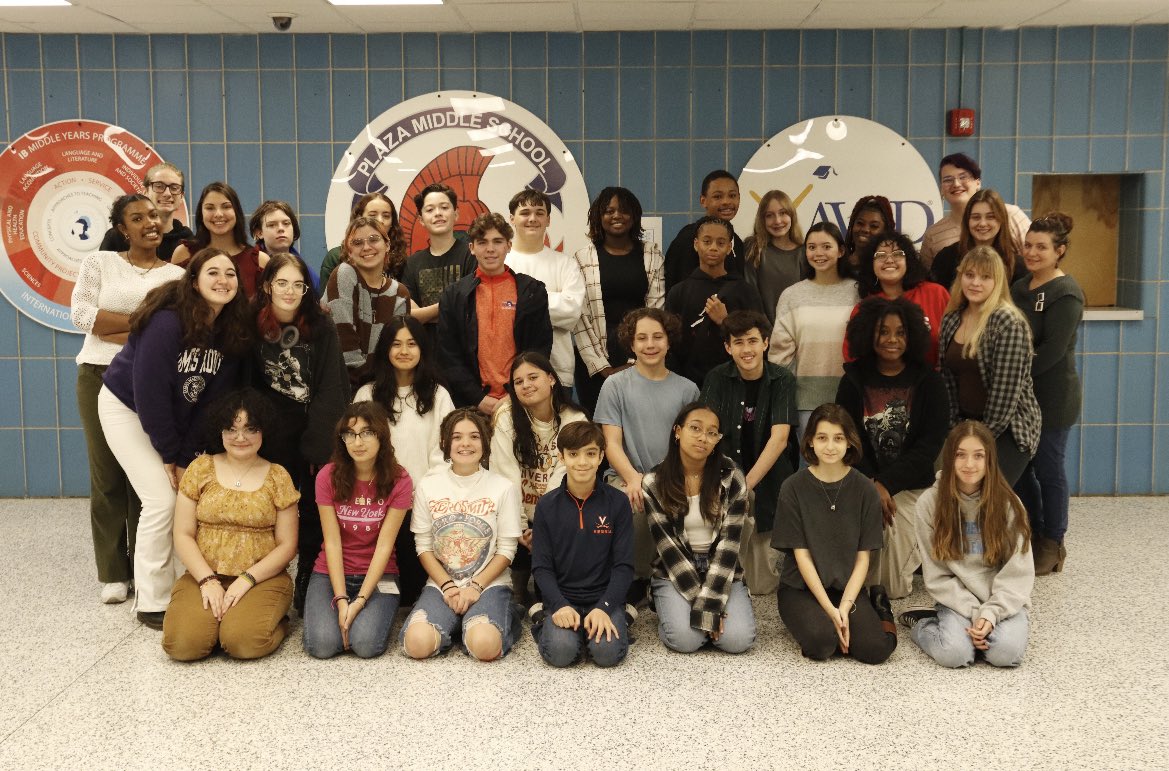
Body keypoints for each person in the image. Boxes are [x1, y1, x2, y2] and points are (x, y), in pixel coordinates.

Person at [98, 247, 251, 629]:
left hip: (178, 419)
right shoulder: (168, 322)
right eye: (212, 272)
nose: (222, 280)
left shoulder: (229, 330)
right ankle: (151, 601)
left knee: (185, 494)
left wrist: (185, 457)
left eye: (230, 273)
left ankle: (188, 584)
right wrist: (169, 453)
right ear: (194, 280)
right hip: (127, 409)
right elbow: (150, 394)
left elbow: (211, 404)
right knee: (161, 500)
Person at [72, 194, 185, 604]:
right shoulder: (99, 263)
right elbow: (84, 317)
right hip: (98, 375)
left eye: (153, 215)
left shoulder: (175, 275)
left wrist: (117, 327)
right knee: (106, 478)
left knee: (147, 482)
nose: (149, 223)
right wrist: (143, 328)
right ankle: (112, 573)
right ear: (122, 228)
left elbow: (172, 331)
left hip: (150, 383)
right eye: (138, 218)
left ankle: (144, 567)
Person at [162, 389, 299, 660]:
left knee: (244, 643)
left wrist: (246, 580)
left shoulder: (278, 476)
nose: (240, 438)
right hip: (205, 573)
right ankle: (215, 624)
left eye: (250, 429)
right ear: (219, 431)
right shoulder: (200, 468)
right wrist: (207, 580)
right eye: (231, 429)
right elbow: (183, 533)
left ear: (264, 431)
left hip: (261, 578)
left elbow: (287, 545)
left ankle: (271, 622)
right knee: (182, 645)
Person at [248, 252, 350, 612]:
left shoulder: (321, 327)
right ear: (267, 286)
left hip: (311, 431)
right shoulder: (249, 324)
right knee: (267, 508)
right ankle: (264, 572)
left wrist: (317, 447)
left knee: (309, 506)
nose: (289, 292)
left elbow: (332, 389)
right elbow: (246, 384)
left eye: (298, 285)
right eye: (281, 283)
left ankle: (308, 566)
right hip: (267, 431)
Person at [837, 297, 949, 599]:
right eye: (883, 331)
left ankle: (879, 594)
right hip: (861, 484)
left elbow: (929, 446)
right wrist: (872, 484)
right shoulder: (852, 380)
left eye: (900, 332)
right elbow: (845, 441)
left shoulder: (930, 382)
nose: (892, 340)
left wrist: (886, 484)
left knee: (891, 586)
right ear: (868, 334)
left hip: (912, 489)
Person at [901, 420, 1033, 668]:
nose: (969, 464)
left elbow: (1019, 573)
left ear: (989, 460)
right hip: (957, 601)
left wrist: (991, 614)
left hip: (1003, 600)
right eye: (961, 455)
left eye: (978, 456)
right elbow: (937, 575)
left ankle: (980, 633)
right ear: (949, 458)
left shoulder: (1009, 504)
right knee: (955, 655)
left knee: (1004, 653)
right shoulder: (929, 503)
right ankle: (923, 624)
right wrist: (975, 614)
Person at [772, 404, 897, 664]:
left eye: (838, 438)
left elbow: (864, 559)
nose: (830, 446)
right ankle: (812, 619)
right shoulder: (793, 487)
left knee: (875, 651)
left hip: (846, 588)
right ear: (810, 442)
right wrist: (830, 611)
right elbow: (801, 556)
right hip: (801, 589)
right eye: (822, 438)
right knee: (822, 644)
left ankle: (881, 608)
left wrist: (843, 608)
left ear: (850, 443)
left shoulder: (865, 489)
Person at [593, 307, 700, 604]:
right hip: (627, 475)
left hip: (673, 475)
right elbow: (611, 443)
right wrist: (634, 478)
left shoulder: (687, 389)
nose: (649, 344)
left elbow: (690, 445)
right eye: (642, 338)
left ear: (669, 341)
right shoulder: (615, 385)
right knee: (636, 501)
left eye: (657, 337)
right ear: (631, 343)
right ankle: (636, 577)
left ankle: (669, 576)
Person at [401, 409, 523, 661]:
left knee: (485, 647)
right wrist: (447, 586)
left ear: (485, 442)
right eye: (457, 437)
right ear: (445, 442)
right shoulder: (428, 484)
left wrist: (475, 587)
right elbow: (422, 545)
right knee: (417, 645)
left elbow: (507, 550)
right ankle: (460, 621)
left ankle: (499, 615)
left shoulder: (503, 487)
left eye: (474, 436)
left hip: (490, 584)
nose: (465, 443)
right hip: (441, 584)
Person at [354, 314, 454, 604]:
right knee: (387, 587)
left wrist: (421, 494)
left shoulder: (438, 395)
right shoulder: (367, 393)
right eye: (396, 344)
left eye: (412, 344)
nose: (404, 351)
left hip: (424, 501)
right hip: (376, 500)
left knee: (414, 589)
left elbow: (446, 451)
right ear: (385, 349)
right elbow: (356, 448)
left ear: (422, 349)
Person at [642, 402, 756, 653]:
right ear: (678, 431)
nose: (703, 437)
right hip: (675, 569)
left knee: (737, 641)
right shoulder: (654, 481)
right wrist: (706, 606)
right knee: (686, 641)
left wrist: (710, 603)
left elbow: (729, 545)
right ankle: (663, 603)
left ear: (717, 440)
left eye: (712, 432)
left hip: (722, 567)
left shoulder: (732, 477)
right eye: (695, 428)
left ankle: (724, 604)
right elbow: (669, 550)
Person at [303, 402, 413, 659]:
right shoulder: (327, 476)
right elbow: (332, 542)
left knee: (365, 645)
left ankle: (356, 619)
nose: (357, 442)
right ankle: (341, 619)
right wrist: (342, 600)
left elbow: (385, 546)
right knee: (321, 646)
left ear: (381, 436)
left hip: (380, 574)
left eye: (367, 432)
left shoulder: (400, 479)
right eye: (349, 434)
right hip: (330, 572)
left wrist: (360, 601)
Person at [700, 310, 798, 595]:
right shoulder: (717, 378)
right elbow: (707, 430)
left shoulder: (782, 380)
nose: (747, 349)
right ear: (728, 347)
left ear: (765, 343)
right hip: (724, 472)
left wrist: (745, 487)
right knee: (730, 576)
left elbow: (780, 439)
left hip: (769, 477)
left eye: (753, 341)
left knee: (762, 585)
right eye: (739, 342)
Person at [1011, 213, 1084, 575]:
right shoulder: (1020, 287)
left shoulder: (1065, 293)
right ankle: (1034, 532)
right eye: (1028, 245)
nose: (1032, 252)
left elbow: (1052, 352)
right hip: (1020, 398)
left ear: (1060, 251)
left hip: (1052, 397)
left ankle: (1053, 542)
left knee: (1048, 468)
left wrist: (1010, 374)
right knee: (1021, 468)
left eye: (1041, 247)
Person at [530, 421, 635, 667]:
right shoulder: (546, 505)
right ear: (562, 457)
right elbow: (542, 568)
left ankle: (621, 616)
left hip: (604, 596)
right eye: (574, 454)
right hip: (563, 597)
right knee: (561, 653)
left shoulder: (618, 503)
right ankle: (542, 619)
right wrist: (558, 604)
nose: (582, 462)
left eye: (590, 454)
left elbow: (624, 566)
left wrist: (605, 607)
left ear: (601, 457)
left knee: (607, 654)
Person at [938, 246, 1040, 485]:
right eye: (969, 275)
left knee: (987, 497)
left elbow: (1004, 398)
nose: (975, 283)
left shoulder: (1008, 322)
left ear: (998, 282)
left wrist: (975, 442)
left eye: (985, 277)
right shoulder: (952, 318)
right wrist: (956, 432)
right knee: (956, 495)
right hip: (966, 424)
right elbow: (948, 382)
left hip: (1008, 429)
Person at [490, 352, 587, 601]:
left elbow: (565, 474)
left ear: (552, 379)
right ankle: (518, 584)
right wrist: (521, 526)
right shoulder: (506, 417)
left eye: (533, 377)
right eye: (518, 382)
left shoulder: (574, 418)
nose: (526, 385)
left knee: (550, 596)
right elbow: (506, 474)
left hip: (558, 510)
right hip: (519, 511)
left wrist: (543, 525)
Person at [437, 212, 553, 413]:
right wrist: (478, 398)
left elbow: (539, 348)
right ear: (472, 248)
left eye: (497, 241)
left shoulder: (531, 291)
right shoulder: (454, 295)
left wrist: (515, 396)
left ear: (509, 245)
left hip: (522, 399)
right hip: (470, 404)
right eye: (482, 242)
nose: (490, 249)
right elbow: (449, 356)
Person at [573, 186, 665, 413]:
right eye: (609, 211)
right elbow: (580, 317)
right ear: (598, 217)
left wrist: (635, 361)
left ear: (633, 216)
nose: (616, 216)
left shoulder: (651, 254)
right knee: (596, 431)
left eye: (623, 210)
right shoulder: (582, 258)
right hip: (593, 361)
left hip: (643, 354)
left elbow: (656, 311)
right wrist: (602, 367)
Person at [768, 222, 860, 437]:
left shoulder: (858, 292)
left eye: (826, 247)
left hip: (851, 398)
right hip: (806, 402)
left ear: (841, 251)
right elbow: (780, 355)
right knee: (811, 468)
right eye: (812, 247)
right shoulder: (792, 295)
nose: (819, 253)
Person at [665, 216, 765, 387]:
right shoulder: (679, 292)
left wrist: (725, 321)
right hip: (688, 385)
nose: (713, 248)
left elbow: (760, 339)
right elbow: (670, 345)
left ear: (729, 247)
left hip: (736, 384)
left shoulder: (745, 291)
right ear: (696, 244)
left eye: (720, 243)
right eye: (707, 241)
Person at [504, 189, 586, 388]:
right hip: (507, 372)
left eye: (539, 213)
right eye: (525, 213)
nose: (532, 218)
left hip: (556, 371)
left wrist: (517, 303)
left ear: (548, 220)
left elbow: (571, 313)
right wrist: (552, 300)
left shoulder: (565, 264)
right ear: (512, 219)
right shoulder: (501, 263)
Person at [326, 215, 412, 388]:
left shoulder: (400, 293)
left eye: (374, 239)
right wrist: (368, 390)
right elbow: (345, 344)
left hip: (382, 388)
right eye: (357, 243)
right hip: (342, 386)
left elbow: (396, 349)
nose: (366, 247)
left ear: (387, 245)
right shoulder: (344, 274)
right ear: (349, 252)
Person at [850, 231, 949, 366]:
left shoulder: (935, 294)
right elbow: (853, 356)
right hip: (880, 385)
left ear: (908, 261)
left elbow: (954, 342)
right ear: (871, 264)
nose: (889, 260)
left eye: (897, 254)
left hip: (934, 382)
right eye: (881, 255)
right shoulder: (865, 309)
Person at [919, 153, 1031, 266]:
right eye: (948, 180)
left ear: (978, 183)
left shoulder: (1011, 214)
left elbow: (1034, 258)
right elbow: (928, 280)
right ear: (941, 189)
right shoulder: (934, 234)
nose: (956, 184)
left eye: (963, 177)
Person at [401, 183, 476, 347]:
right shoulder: (412, 263)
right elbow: (411, 317)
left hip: (464, 352)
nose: (438, 214)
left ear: (456, 214)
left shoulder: (472, 255)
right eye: (429, 210)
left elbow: (470, 309)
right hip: (425, 354)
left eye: (444, 207)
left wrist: (426, 314)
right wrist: (451, 305)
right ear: (421, 219)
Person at [172, 182, 269, 299]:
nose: (218, 214)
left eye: (226, 206)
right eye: (210, 208)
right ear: (201, 214)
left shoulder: (260, 260)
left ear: (236, 212)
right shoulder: (184, 254)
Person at [930, 188, 1029, 292]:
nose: (982, 223)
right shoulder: (946, 259)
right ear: (967, 221)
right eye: (976, 217)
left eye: (990, 217)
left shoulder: (1018, 267)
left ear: (1001, 220)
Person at [663, 170, 746, 290]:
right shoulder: (689, 238)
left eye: (732, 195)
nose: (726, 202)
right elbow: (677, 289)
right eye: (717, 196)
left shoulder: (736, 242)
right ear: (703, 201)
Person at [98, 162, 193, 263]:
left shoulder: (188, 241)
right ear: (145, 192)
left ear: (182, 196)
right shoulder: (119, 236)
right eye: (159, 186)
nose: (167, 193)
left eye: (174, 188)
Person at [320, 192, 409, 290]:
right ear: (360, 218)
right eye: (372, 215)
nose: (380, 220)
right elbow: (326, 302)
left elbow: (407, 302)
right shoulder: (335, 257)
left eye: (386, 216)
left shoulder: (400, 259)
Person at [743, 189, 805, 326]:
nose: (777, 221)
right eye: (769, 215)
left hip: (796, 334)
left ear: (792, 215)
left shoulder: (804, 253)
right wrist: (768, 333)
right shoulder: (754, 248)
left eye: (783, 213)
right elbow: (751, 296)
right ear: (762, 219)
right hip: (762, 334)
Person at [842, 195, 894, 270]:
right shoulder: (838, 265)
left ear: (885, 231)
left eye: (874, 226)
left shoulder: (890, 267)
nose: (865, 230)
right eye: (860, 223)